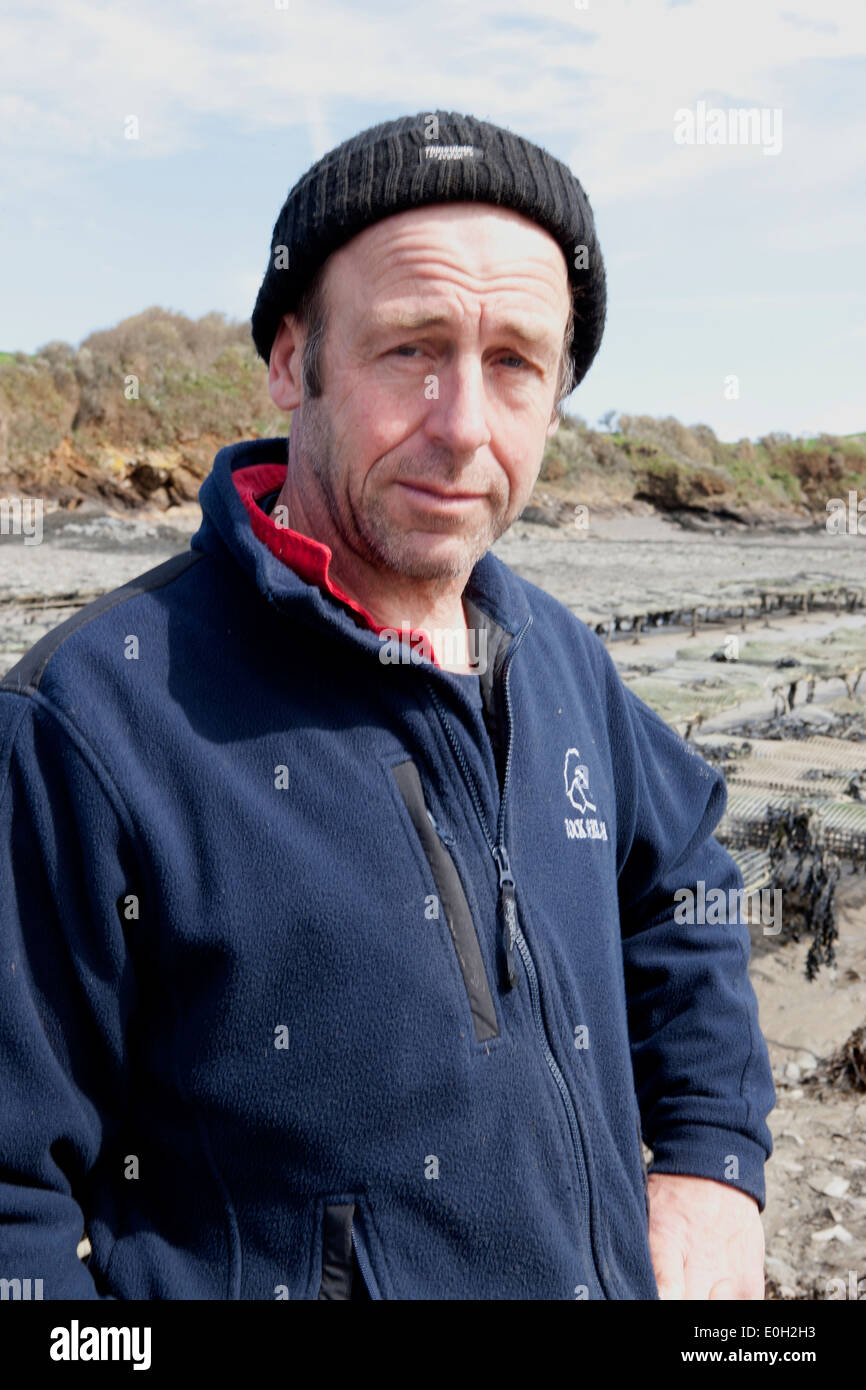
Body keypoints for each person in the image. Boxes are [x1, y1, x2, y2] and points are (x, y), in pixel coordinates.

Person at [0, 110, 774, 1300]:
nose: (462, 424)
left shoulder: (561, 660)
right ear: (288, 359)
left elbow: (685, 889)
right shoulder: (89, 720)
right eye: (411, 348)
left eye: (514, 362)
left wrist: (713, 1162)